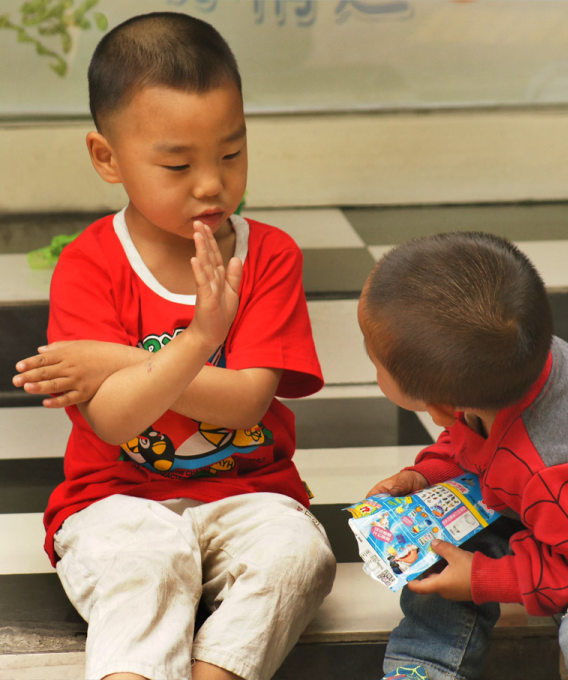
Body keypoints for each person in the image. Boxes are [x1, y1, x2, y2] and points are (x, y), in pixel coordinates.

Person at [12, 12, 335, 680]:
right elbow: (113, 419)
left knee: (300, 556)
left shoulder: (269, 256)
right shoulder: (89, 264)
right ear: (107, 158)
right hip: (115, 502)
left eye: (231, 153)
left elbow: (245, 404)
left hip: (249, 493)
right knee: (148, 564)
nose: (211, 183)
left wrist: (123, 359)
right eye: (178, 164)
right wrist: (201, 342)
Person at [357, 231, 568, 680]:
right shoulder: (512, 365)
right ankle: (423, 669)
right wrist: (429, 474)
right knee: (437, 554)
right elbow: (474, 442)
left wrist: (484, 579)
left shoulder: (550, 465)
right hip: (558, 521)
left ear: (440, 407)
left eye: (373, 361)